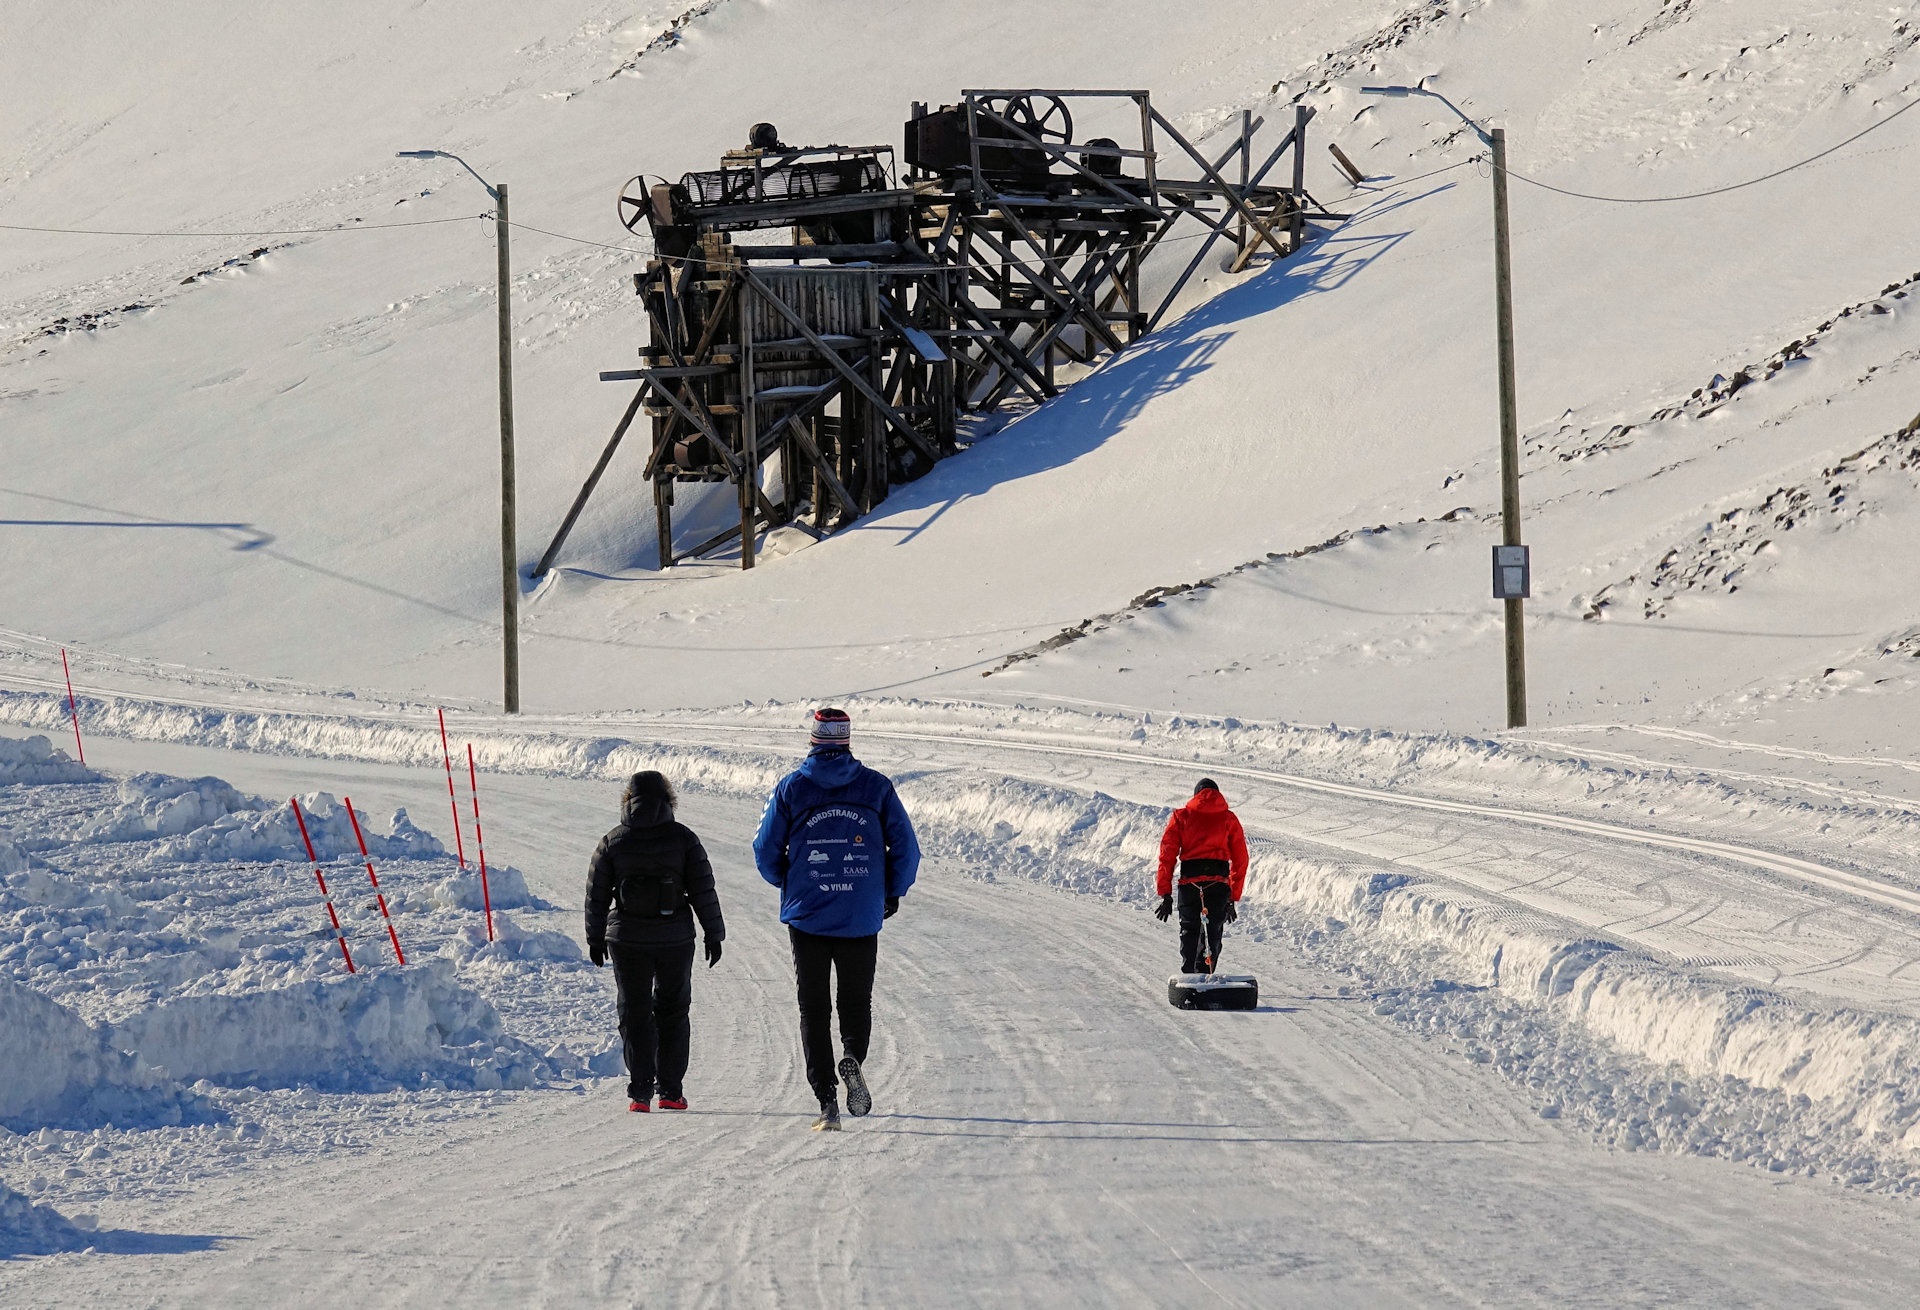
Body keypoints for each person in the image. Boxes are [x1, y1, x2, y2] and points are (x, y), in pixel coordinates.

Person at [754, 708, 919, 1132]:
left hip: (807, 914)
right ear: (847, 741)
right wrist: (891, 892)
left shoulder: (792, 787)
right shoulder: (877, 788)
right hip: (861, 913)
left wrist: (788, 882)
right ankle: (852, 1055)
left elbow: (765, 848)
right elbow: (906, 847)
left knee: (813, 1007)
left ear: (813, 740)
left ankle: (826, 1100)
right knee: (855, 1000)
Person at [586, 771, 725, 1113]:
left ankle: (640, 1093)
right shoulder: (684, 840)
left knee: (634, 1011)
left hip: (627, 940)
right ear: (668, 799)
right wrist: (714, 933)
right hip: (674, 939)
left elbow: (597, 894)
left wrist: (594, 937)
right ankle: (671, 1092)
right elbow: (703, 890)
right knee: (673, 1010)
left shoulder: (613, 841)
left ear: (627, 799)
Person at [1154, 778, 1249, 974]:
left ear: (1196, 794)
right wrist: (1233, 896)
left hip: (1189, 884)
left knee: (1190, 929)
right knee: (1212, 931)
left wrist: (1165, 893)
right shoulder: (1229, 819)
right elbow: (1241, 859)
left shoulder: (1181, 817)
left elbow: (1167, 856)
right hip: (1218, 885)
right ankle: (1205, 973)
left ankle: (1189, 976)